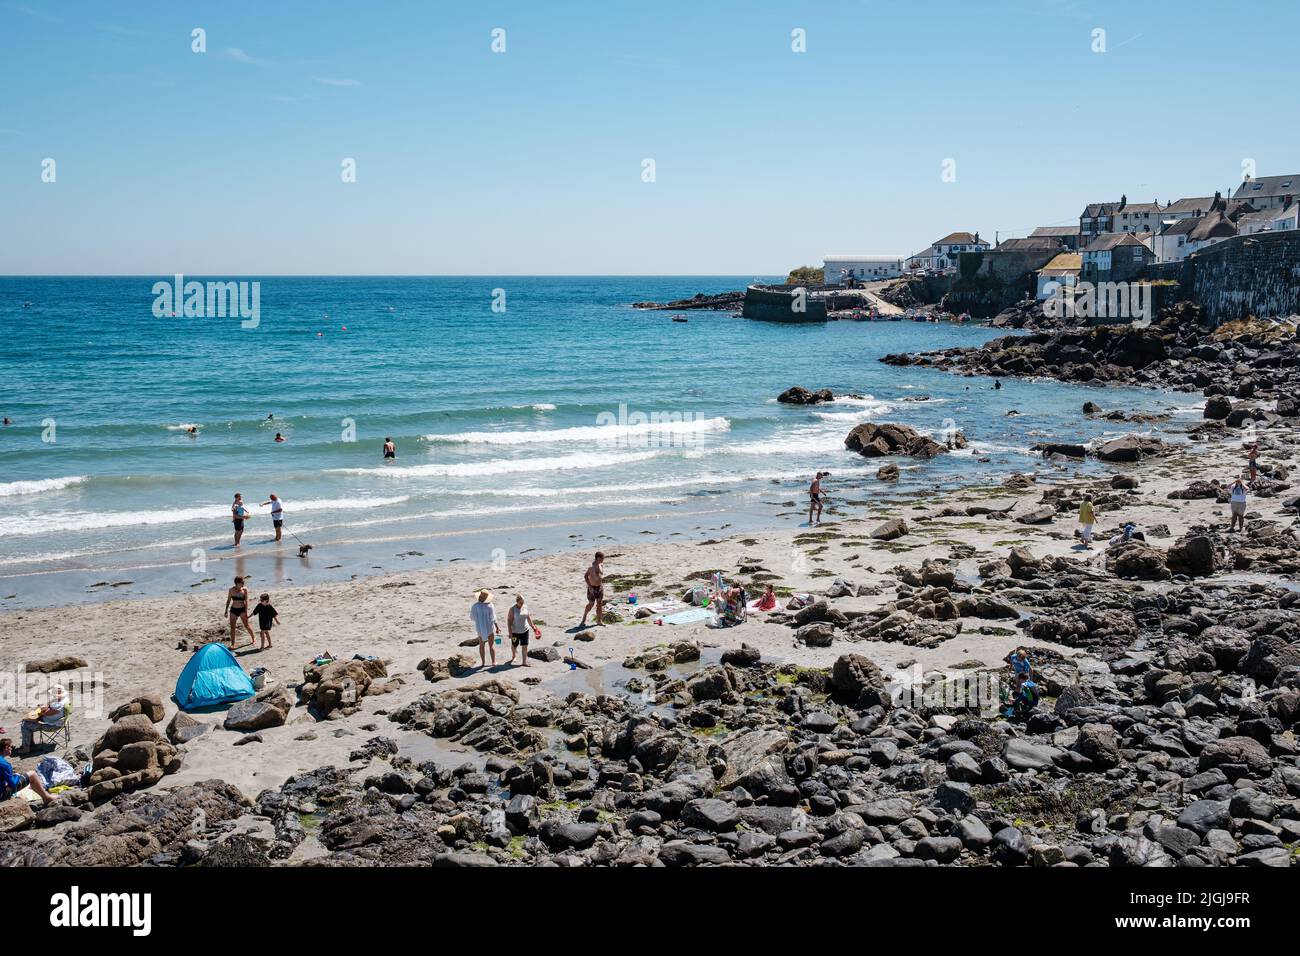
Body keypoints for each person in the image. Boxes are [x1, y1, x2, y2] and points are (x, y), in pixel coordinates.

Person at [0, 738, 56, 807]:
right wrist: (16, 776)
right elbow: (13, 784)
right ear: (6, 748)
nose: (12, 749)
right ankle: (47, 797)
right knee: (32, 774)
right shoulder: (5, 764)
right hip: (2, 794)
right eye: (11, 747)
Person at [18, 686, 68, 755]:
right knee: (27, 721)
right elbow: (48, 707)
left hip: (51, 725)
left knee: (25, 725)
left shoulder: (58, 705)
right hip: (58, 721)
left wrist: (41, 709)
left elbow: (46, 713)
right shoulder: (65, 700)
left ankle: (26, 748)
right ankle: (30, 743)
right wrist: (45, 707)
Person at [224, 576, 257, 647]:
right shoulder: (231, 590)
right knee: (232, 627)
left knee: (246, 625)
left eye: (243, 582)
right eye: (242, 582)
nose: (243, 583)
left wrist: (246, 611)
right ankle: (232, 644)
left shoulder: (245, 590)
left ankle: (253, 638)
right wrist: (226, 611)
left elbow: (246, 601)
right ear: (237, 583)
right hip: (233, 610)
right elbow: (228, 600)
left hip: (242, 610)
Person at [507, 595, 537, 667]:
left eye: (523, 602)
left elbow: (528, 618)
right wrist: (510, 632)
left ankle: (524, 662)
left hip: (525, 630)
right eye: (520, 602)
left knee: (525, 646)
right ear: (517, 602)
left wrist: (533, 627)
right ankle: (514, 655)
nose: (522, 604)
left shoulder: (525, 606)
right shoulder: (512, 609)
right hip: (515, 632)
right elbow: (509, 621)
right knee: (514, 645)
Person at [471, 590, 499, 666]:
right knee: (491, 645)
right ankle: (493, 662)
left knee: (481, 645)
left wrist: (479, 619)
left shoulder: (475, 606)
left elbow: (472, 617)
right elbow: (493, 618)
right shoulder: (490, 605)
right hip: (489, 627)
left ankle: (483, 663)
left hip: (480, 628)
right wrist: (497, 627)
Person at [580, 552, 605, 628]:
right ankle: (584, 617)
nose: (603, 560)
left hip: (600, 587)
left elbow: (600, 575)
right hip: (592, 588)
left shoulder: (601, 565)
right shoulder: (591, 567)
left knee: (599, 604)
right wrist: (590, 586)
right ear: (598, 558)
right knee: (591, 604)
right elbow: (585, 576)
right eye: (602, 558)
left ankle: (599, 621)